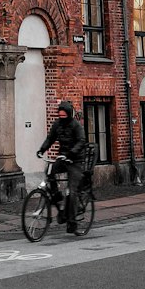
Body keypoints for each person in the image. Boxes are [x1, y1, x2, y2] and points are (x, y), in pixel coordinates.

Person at [37, 100, 87, 233]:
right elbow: (51, 138)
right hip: (63, 157)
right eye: (61, 116)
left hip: (75, 160)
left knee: (71, 191)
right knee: (50, 172)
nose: (62, 118)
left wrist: (71, 153)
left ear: (69, 115)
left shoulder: (76, 126)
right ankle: (57, 196)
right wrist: (42, 149)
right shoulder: (57, 124)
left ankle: (72, 222)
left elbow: (81, 141)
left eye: (65, 116)